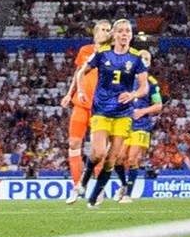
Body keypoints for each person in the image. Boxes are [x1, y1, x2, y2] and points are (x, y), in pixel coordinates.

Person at [83, 18, 149, 208]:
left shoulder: (136, 59)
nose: (124, 34)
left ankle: (96, 195)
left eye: (127, 31)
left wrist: (133, 94)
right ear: (114, 34)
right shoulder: (103, 54)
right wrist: (80, 91)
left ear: (131, 35)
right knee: (99, 153)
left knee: (118, 157)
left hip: (125, 115)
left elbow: (145, 88)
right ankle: (91, 185)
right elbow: (83, 72)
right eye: (120, 31)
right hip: (103, 111)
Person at [59, 21, 108, 204]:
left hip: (100, 107)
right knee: (73, 142)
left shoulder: (111, 53)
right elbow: (78, 73)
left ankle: (98, 190)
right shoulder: (85, 50)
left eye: (107, 30)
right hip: (81, 104)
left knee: (97, 150)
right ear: (95, 33)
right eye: (102, 29)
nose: (105, 32)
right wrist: (68, 93)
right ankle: (77, 186)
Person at [117, 48, 162, 203]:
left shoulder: (152, 84)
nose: (143, 60)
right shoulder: (124, 79)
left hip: (141, 125)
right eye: (141, 57)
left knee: (132, 159)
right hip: (124, 124)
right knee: (118, 158)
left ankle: (128, 194)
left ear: (149, 64)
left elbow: (158, 106)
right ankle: (124, 185)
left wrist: (142, 111)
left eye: (146, 59)